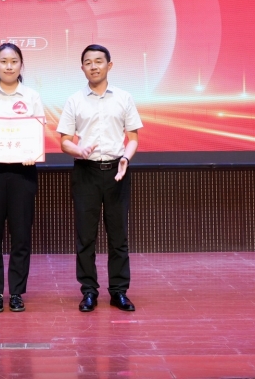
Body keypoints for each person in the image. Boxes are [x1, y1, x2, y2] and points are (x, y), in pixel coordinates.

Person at [57, 44, 142, 312]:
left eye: (98, 61)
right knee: (86, 237)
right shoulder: (74, 100)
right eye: (88, 62)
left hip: (118, 171)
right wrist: (78, 150)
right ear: (82, 68)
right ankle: (89, 291)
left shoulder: (124, 98)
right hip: (86, 172)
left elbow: (133, 137)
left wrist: (126, 157)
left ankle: (119, 291)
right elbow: (64, 141)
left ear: (109, 65)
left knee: (118, 236)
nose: (93, 66)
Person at [0, 43, 45, 313]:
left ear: (21, 65)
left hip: (23, 172)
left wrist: (33, 152)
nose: (9, 66)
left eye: (14, 61)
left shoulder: (32, 96)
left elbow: (37, 131)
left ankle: (16, 292)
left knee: (21, 235)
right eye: (3, 61)